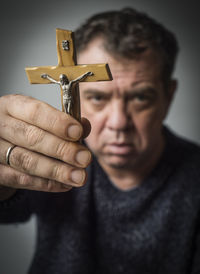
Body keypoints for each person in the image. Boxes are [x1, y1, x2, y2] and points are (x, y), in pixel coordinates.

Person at [0, 7, 200, 274]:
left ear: (169, 96)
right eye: (97, 97)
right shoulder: (54, 157)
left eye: (140, 97)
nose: (118, 122)